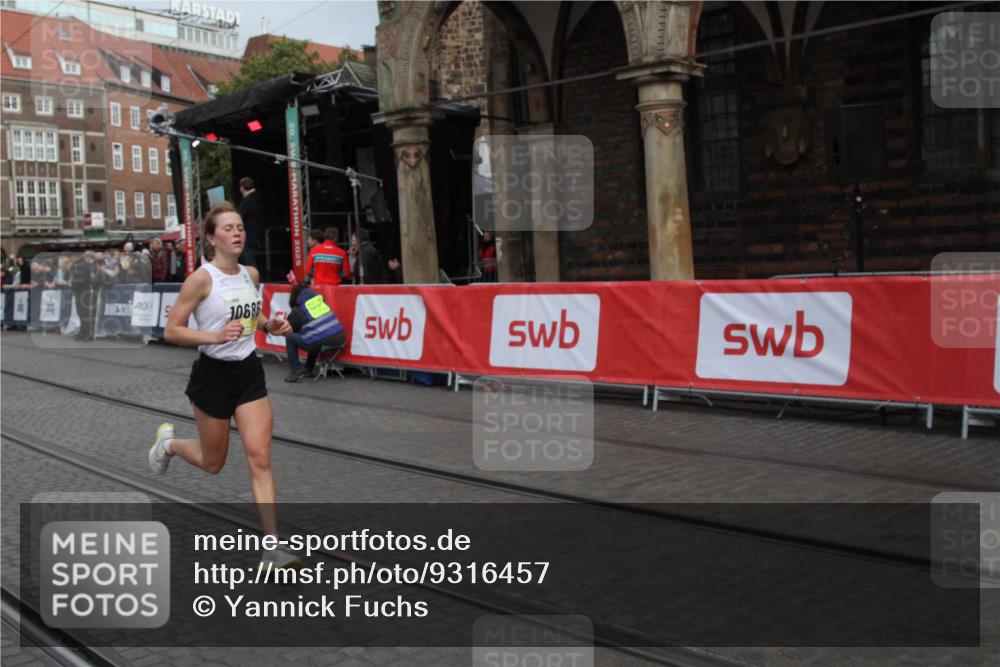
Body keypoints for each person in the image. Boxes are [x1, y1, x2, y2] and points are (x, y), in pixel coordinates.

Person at [153, 201, 298, 569]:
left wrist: (270, 326)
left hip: (249, 373)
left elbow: (254, 313)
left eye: (240, 227)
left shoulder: (250, 275)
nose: (237, 233)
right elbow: (172, 330)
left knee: (260, 458)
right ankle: (168, 444)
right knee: (213, 461)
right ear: (211, 238)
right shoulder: (201, 279)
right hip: (212, 376)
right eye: (228, 228)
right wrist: (213, 337)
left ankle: (272, 550)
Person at [283, 282, 346, 382]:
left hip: (321, 341)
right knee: (313, 336)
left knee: (290, 337)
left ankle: (295, 370)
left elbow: (289, 327)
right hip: (340, 339)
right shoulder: (321, 302)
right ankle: (308, 369)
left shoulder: (298, 309)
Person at [236, 177, 266, 269]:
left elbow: (238, 216)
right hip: (258, 236)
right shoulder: (258, 198)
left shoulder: (248, 201)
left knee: (248, 262)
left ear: (242, 188)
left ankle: (253, 281)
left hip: (249, 237)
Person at [70, 251, 98, 341]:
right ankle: (83, 332)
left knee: (85, 313)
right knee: (81, 312)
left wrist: (73, 285)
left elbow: (82, 278)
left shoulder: (85, 265)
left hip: (84, 291)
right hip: (82, 290)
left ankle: (88, 334)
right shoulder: (83, 265)